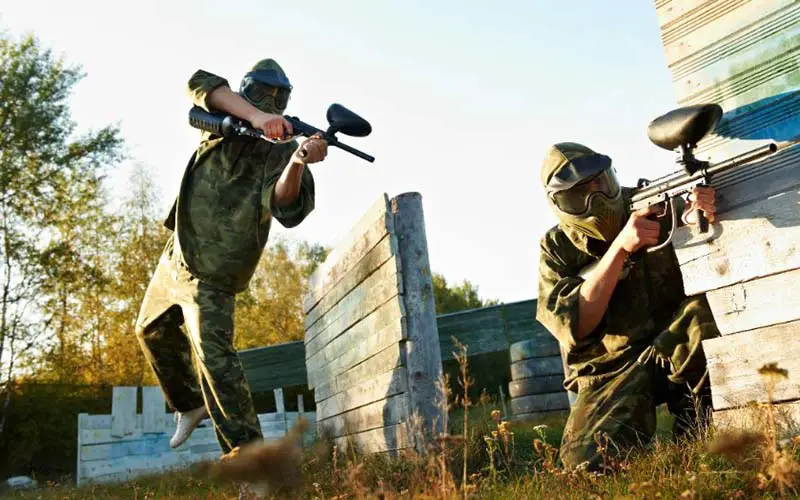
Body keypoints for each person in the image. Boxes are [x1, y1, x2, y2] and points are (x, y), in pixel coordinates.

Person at [134, 59, 327, 497]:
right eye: (257, 99)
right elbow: (198, 83)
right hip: (177, 254)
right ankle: (188, 404)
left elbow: (287, 207)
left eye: (270, 104)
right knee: (148, 330)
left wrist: (297, 158)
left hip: (214, 274)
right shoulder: (224, 124)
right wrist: (256, 118)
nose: (264, 108)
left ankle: (254, 464)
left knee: (217, 363)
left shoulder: (279, 152)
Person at [535, 142, 722, 472]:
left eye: (600, 185)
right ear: (560, 203)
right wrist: (620, 248)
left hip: (673, 343)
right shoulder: (557, 248)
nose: (598, 200)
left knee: (701, 316)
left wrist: (697, 211)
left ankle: (696, 447)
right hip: (610, 370)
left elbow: (700, 228)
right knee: (585, 466)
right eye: (581, 193)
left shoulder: (653, 204)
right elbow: (575, 328)